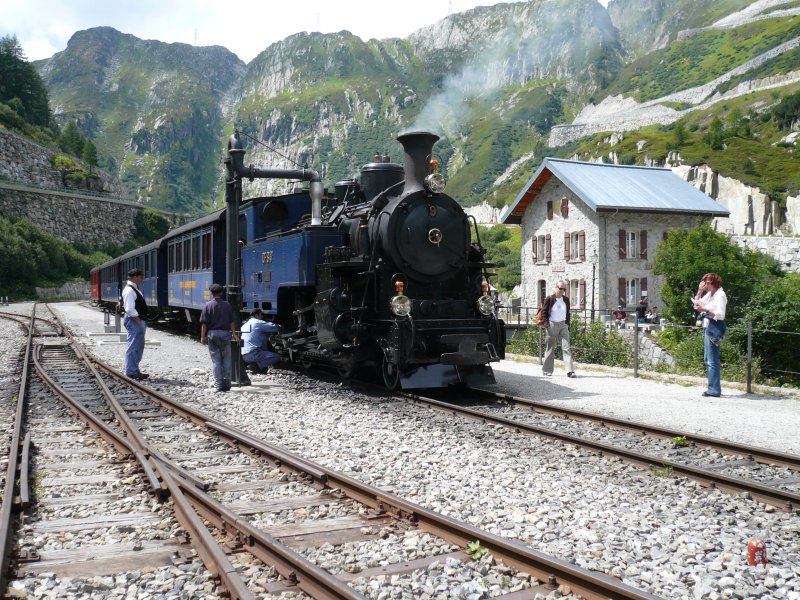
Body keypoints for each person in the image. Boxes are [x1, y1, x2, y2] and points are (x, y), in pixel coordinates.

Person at [693, 273, 728, 397]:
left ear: (714, 283)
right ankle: (712, 388)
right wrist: (699, 291)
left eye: (706, 282)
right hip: (707, 326)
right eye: (704, 282)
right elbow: (696, 305)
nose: (705, 284)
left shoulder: (720, 295)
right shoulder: (710, 294)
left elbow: (720, 315)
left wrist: (706, 310)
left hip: (714, 327)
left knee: (712, 360)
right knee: (707, 359)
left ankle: (714, 390)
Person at [200, 283, 238, 392]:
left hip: (212, 334)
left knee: (216, 360)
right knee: (226, 359)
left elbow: (204, 323)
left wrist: (203, 336)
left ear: (211, 293)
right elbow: (231, 321)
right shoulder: (227, 305)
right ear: (221, 293)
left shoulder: (207, 306)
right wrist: (234, 334)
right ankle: (227, 382)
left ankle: (219, 384)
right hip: (225, 334)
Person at [540, 280, 575, 378]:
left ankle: (570, 371)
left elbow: (568, 313)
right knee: (550, 348)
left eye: (564, 289)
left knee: (566, 347)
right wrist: (547, 325)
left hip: (563, 325)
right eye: (560, 288)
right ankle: (547, 370)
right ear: (556, 288)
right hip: (552, 325)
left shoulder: (566, 300)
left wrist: (567, 324)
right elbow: (544, 313)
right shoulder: (550, 298)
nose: (562, 291)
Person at [121, 268, 149, 380]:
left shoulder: (133, 289)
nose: (141, 279)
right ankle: (131, 371)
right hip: (134, 320)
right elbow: (129, 309)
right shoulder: (130, 290)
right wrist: (138, 321)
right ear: (135, 277)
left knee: (138, 346)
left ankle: (134, 369)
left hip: (135, 320)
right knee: (134, 345)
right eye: (140, 277)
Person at [241, 308, 281, 374]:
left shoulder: (245, 325)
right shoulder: (258, 323)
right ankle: (256, 366)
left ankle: (254, 365)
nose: (262, 317)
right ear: (257, 315)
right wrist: (282, 327)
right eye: (261, 315)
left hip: (243, 355)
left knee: (262, 338)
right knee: (276, 357)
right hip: (253, 354)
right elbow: (275, 327)